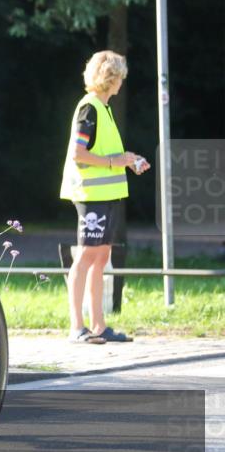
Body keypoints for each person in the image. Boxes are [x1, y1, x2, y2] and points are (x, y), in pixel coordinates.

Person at [59, 50, 149, 344]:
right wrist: (117, 160)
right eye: (120, 76)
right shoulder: (90, 109)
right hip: (91, 195)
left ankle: (98, 326)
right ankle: (77, 327)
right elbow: (79, 154)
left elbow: (107, 153)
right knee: (86, 257)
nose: (122, 82)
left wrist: (129, 160)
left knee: (101, 258)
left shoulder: (103, 108)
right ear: (111, 78)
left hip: (106, 195)